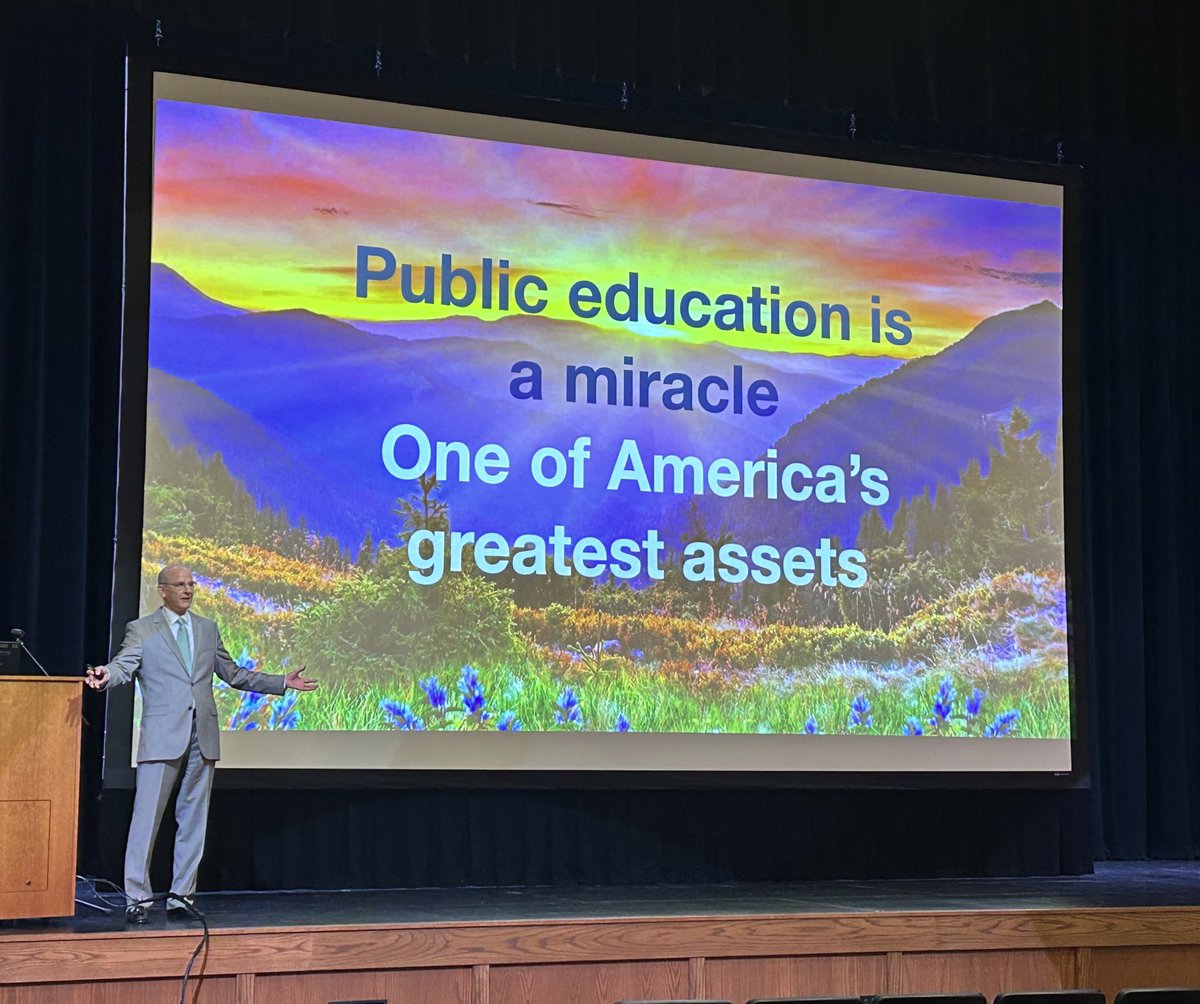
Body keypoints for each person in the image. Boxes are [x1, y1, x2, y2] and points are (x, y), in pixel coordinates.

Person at [85, 563, 317, 922]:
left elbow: (233, 674)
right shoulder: (142, 629)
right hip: (163, 735)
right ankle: (138, 899)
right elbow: (123, 665)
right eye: (179, 585)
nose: (187, 590)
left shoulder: (207, 628)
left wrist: (280, 682)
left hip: (202, 735)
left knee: (193, 821)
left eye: (191, 584)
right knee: (146, 820)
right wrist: (105, 675)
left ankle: (181, 898)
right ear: (162, 590)